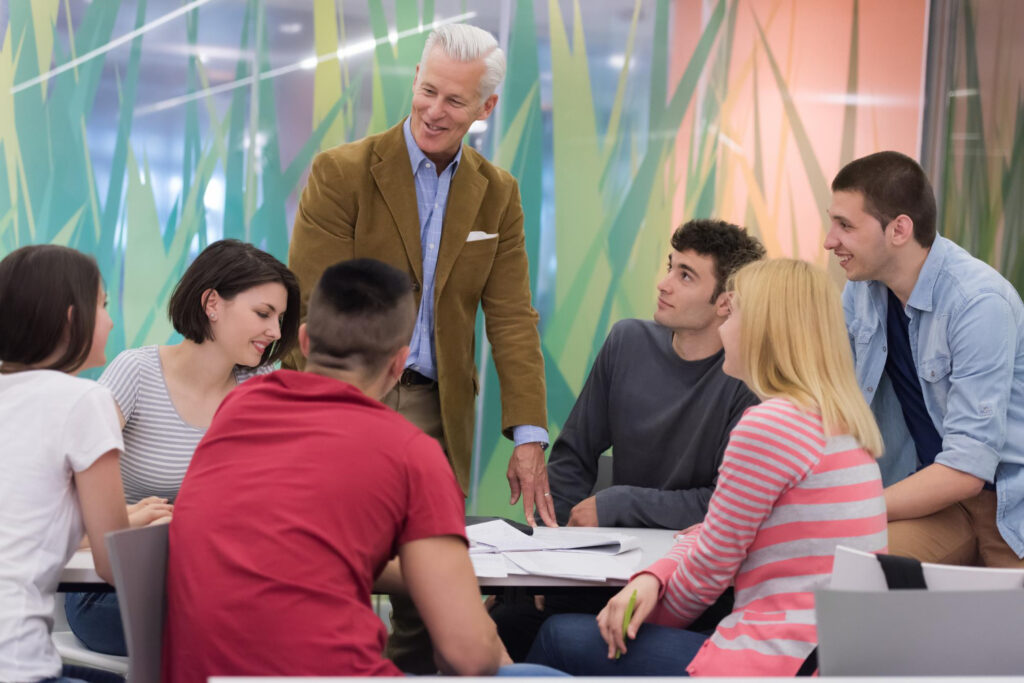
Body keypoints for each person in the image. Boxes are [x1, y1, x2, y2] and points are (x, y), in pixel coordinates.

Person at [288, 23, 551, 671]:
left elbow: (512, 315)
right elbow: (313, 300)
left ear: (486, 108)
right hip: (350, 399)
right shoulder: (342, 173)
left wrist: (529, 435)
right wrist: (326, 417)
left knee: (428, 590)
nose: (435, 110)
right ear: (414, 81)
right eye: (428, 90)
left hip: (439, 410)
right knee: (336, 563)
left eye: (455, 101)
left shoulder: (500, 193)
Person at [162, 259, 560, 681]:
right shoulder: (413, 454)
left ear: (305, 341)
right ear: (399, 363)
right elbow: (469, 658)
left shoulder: (237, 408)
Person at [527, 259, 888, 676]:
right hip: (821, 656)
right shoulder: (840, 421)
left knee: (556, 635)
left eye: (732, 314)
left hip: (775, 660)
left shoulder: (772, 425)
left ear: (763, 329)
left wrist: (632, 619)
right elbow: (711, 533)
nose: (723, 327)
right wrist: (656, 576)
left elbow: (708, 572)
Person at [491, 219, 763, 660]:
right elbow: (573, 457)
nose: (664, 284)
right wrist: (544, 562)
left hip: (687, 588)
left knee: (549, 636)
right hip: (603, 571)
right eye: (670, 267)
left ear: (724, 303)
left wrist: (617, 503)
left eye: (685, 275)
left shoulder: (746, 379)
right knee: (498, 627)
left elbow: (724, 503)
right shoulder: (627, 341)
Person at [65, 239, 301, 656]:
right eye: (263, 314)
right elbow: (54, 500)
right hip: (112, 589)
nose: (276, 332)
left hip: (216, 586)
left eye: (281, 319)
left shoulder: (260, 387)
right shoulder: (136, 372)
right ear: (212, 302)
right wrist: (132, 524)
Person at [825, 150, 1024, 567]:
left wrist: (850, 508)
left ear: (899, 229)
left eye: (845, 225)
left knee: (1004, 631)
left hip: (1003, 505)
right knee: (840, 564)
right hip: (922, 491)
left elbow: (967, 470)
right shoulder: (862, 289)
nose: (830, 240)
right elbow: (834, 403)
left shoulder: (978, 303)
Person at [0, 245, 130, 683]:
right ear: (74, 319)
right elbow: (116, 562)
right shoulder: (84, 400)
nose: (111, 320)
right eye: (104, 305)